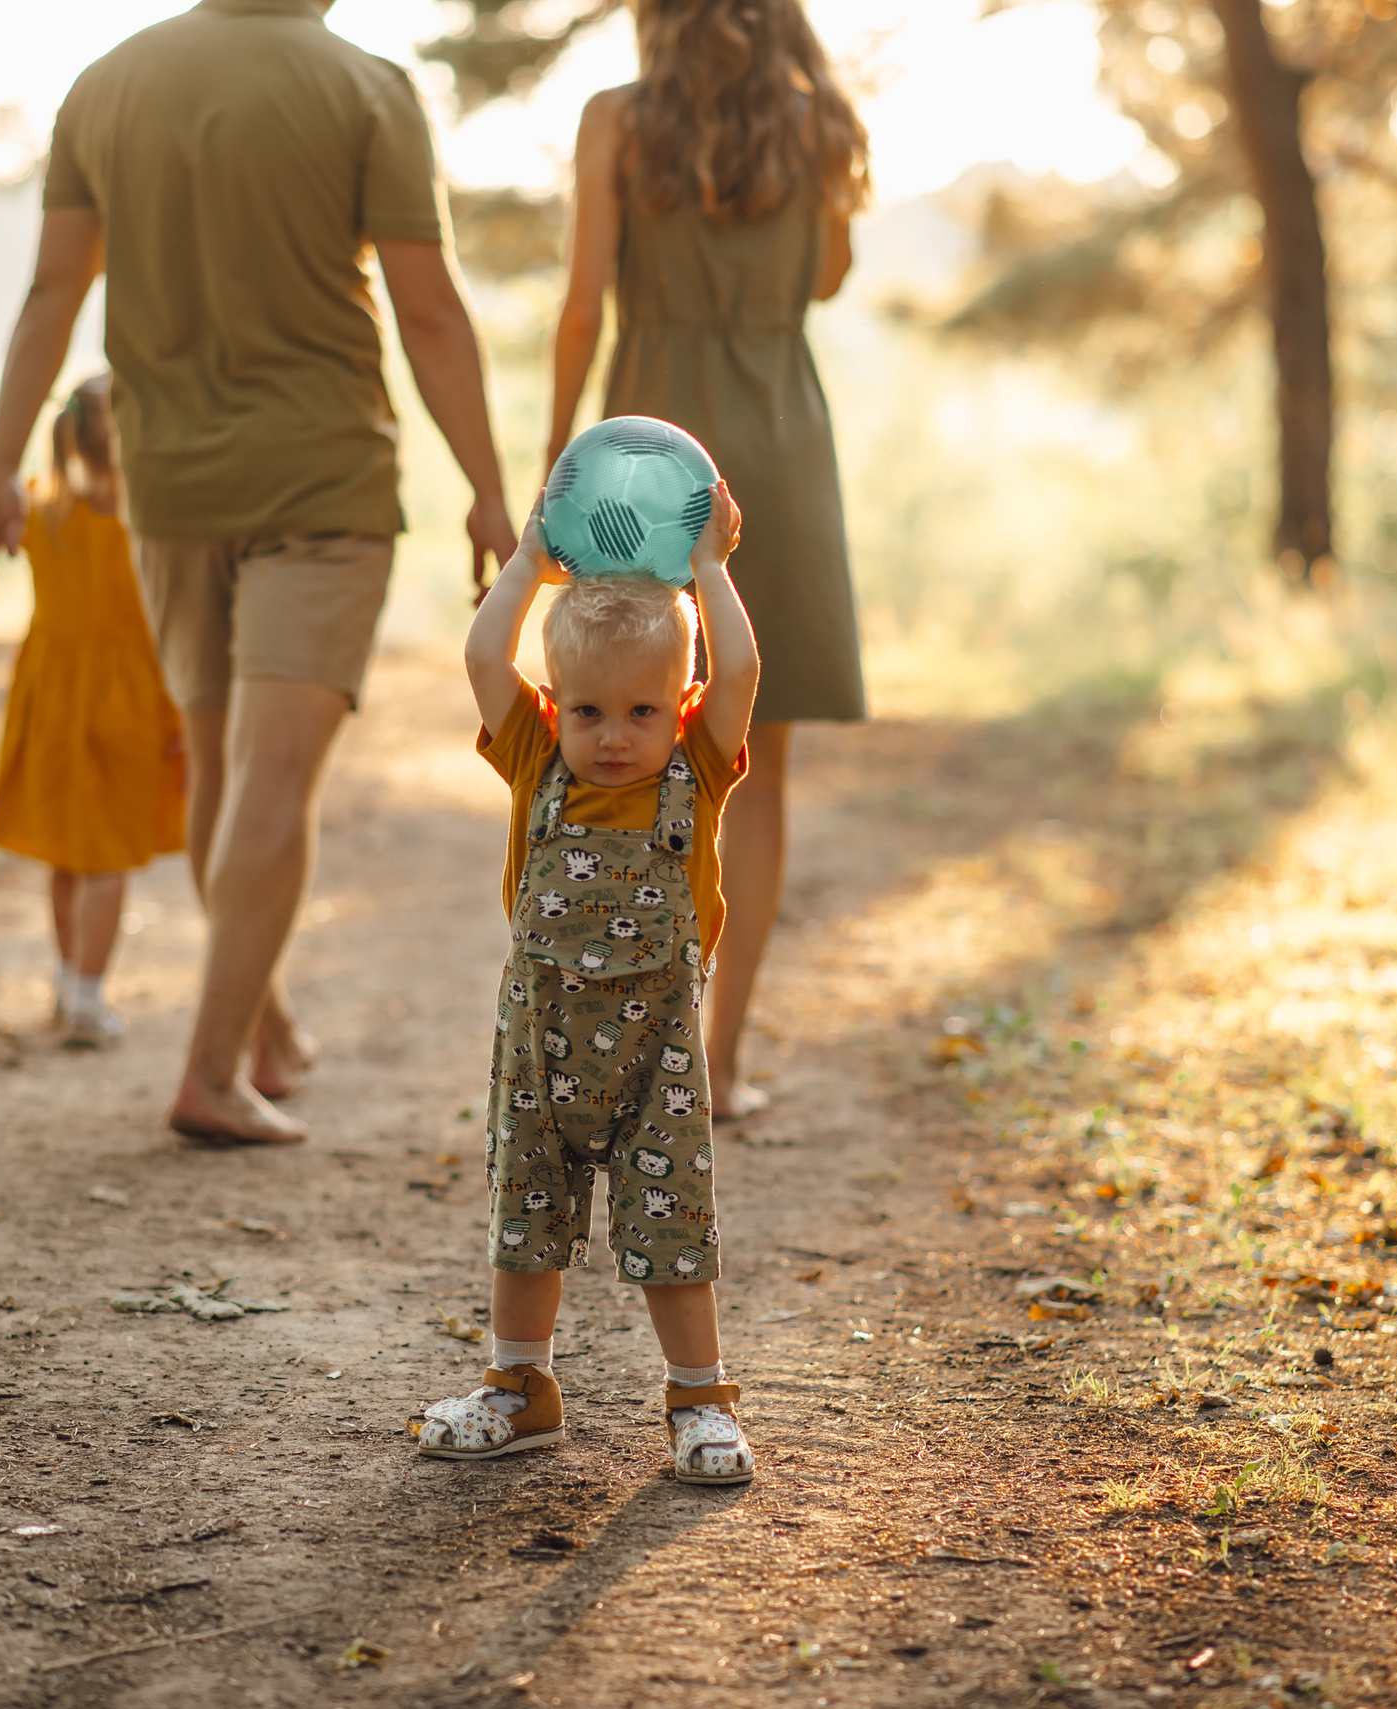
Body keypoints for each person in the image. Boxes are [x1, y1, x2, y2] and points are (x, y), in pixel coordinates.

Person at [0, 0, 518, 1145]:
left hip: (168, 487)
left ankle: (266, 1027)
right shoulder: (366, 89)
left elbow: (54, 293)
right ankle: (210, 1070)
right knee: (274, 777)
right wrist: (491, 488)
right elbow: (431, 312)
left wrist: (0, 463)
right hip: (322, 481)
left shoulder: (105, 84)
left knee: (219, 766)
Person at [543, 0, 872, 1120]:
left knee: (617, 733)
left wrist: (555, 464)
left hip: (645, 450)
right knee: (754, 763)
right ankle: (718, 1067)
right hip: (776, 445)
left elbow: (583, 305)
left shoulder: (614, 122)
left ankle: (623, 1030)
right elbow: (825, 278)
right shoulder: (820, 123)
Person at [413, 486, 759, 1484]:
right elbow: (485, 658)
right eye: (588, 709)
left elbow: (737, 663)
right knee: (527, 1215)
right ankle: (521, 1387)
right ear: (554, 704)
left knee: (671, 1220)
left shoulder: (697, 765)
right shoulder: (533, 758)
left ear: (680, 704)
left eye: (641, 708)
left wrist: (710, 569)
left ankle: (699, 1398)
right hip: (539, 1045)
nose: (614, 733)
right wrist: (525, 563)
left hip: (657, 1056)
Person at [0, 376, 186, 1048]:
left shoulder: (43, 511)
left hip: (51, 699)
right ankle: (89, 998)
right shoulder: (150, 527)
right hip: (128, 704)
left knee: (67, 857)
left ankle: (69, 981)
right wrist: (183, 721)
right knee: (106, 863)